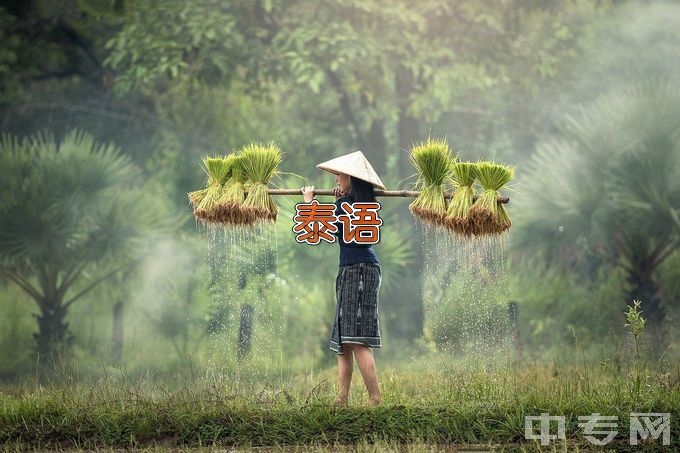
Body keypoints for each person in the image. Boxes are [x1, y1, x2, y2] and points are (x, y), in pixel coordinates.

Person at [300, 151, 386, 407]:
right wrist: (340, 201)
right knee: (343, 340)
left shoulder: (349, 207)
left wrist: (308, 202)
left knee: (355, 339)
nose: (336, 178)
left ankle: (375, 398)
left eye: (340, 174)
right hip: (351, 269)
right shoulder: (354, 204)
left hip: (359, 270)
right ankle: (342, 399)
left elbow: (320, 227)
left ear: (351, 178)